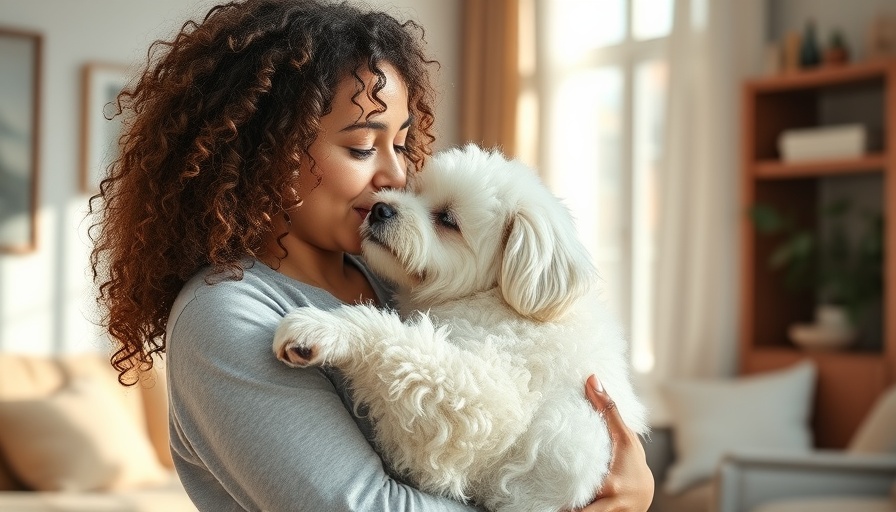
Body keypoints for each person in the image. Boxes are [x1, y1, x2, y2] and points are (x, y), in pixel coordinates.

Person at [88, 0, 654, 510]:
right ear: (269, 150)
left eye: (401, 143)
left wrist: (629, 484)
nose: (395, 176)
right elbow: (362, 507)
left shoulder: (394, 277)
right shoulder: (227, 315)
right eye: (362, 146)